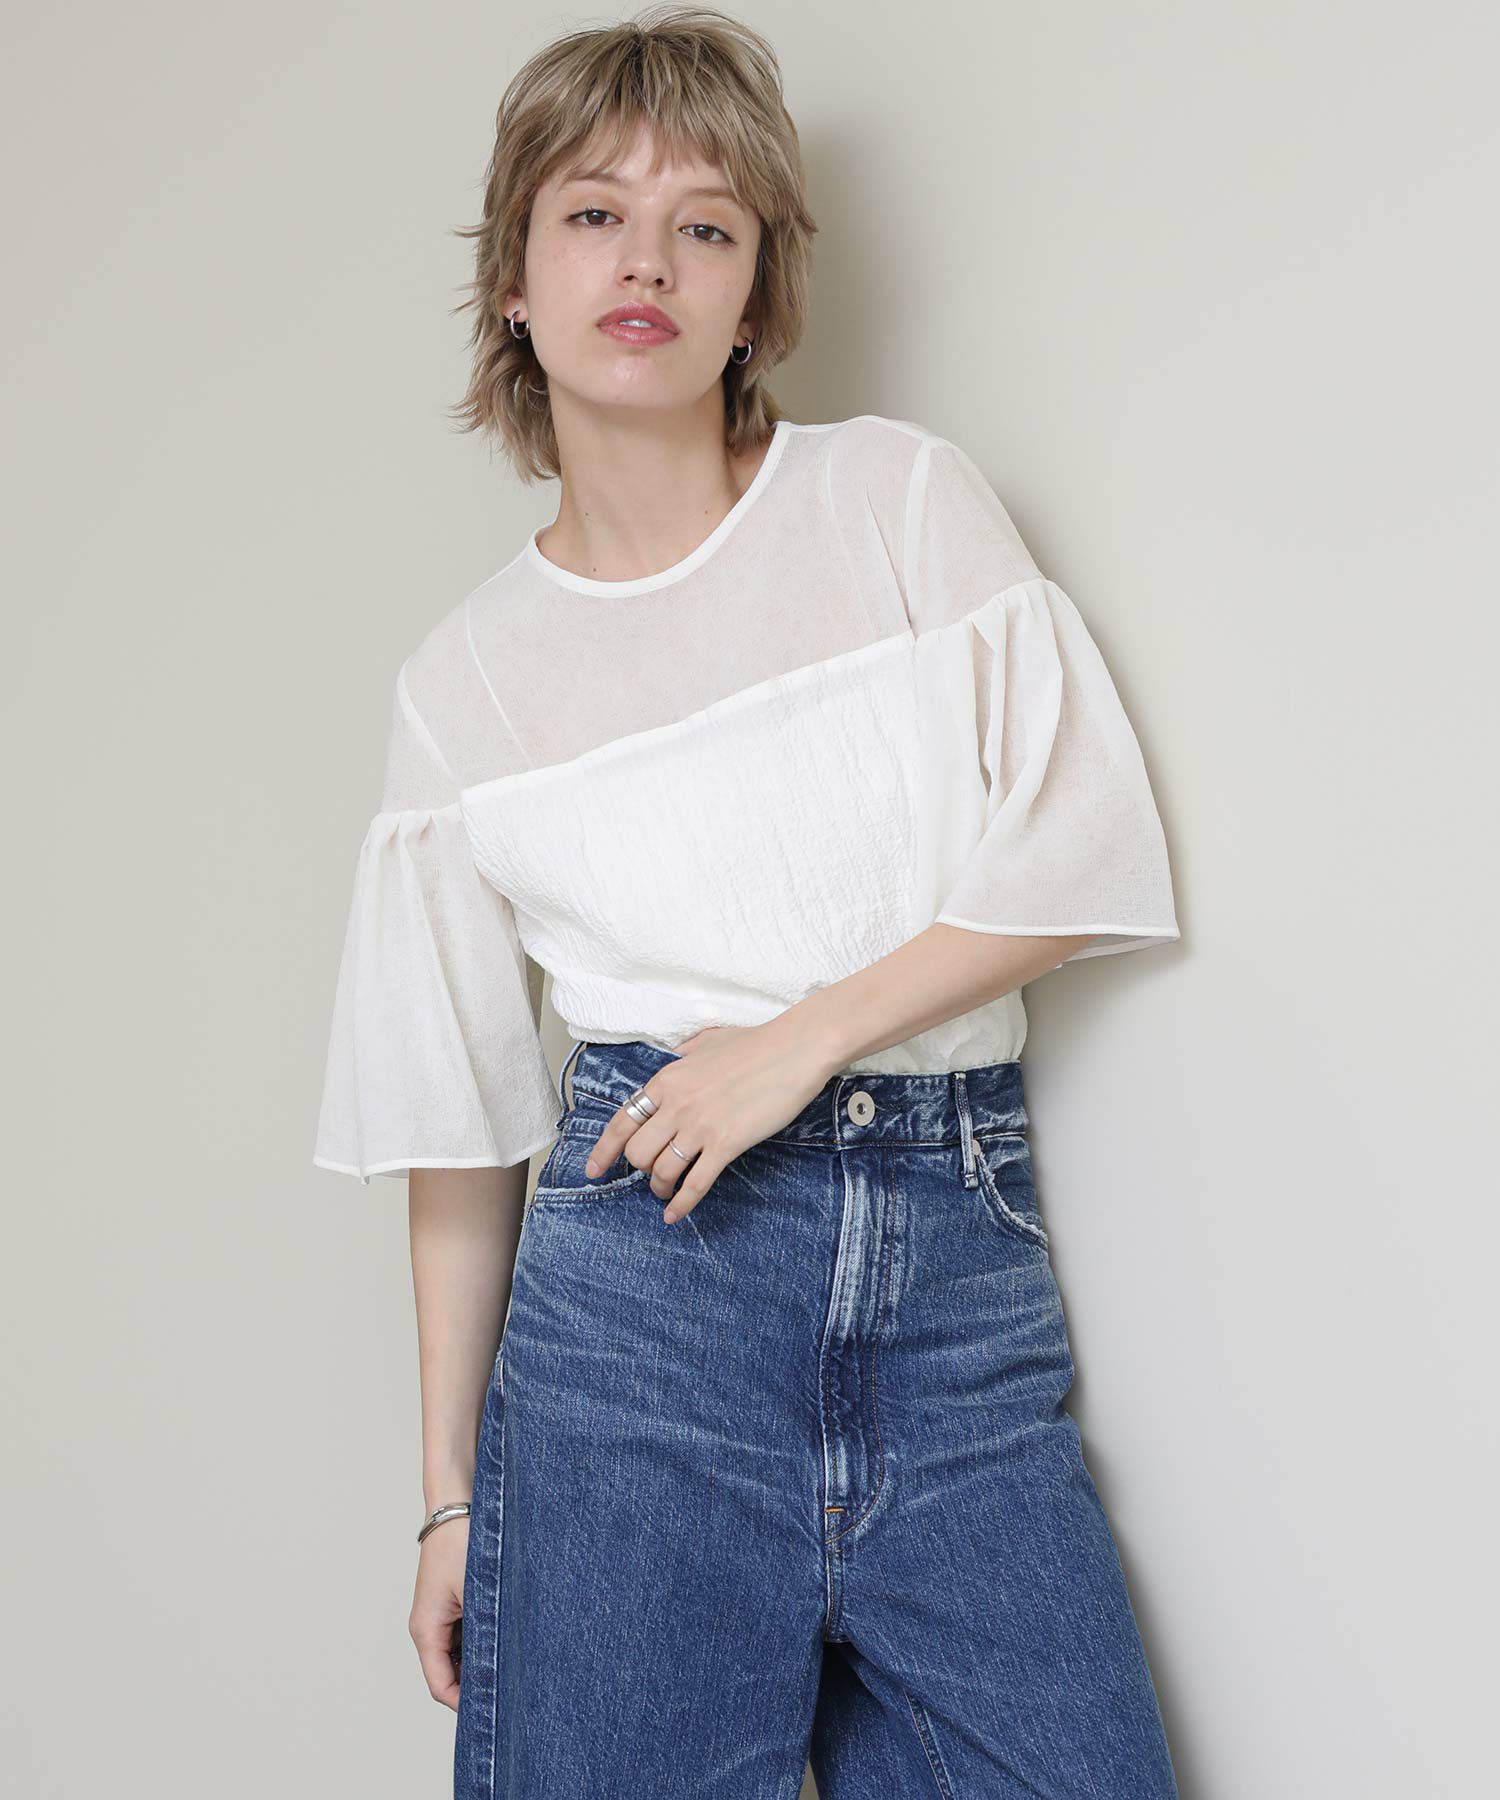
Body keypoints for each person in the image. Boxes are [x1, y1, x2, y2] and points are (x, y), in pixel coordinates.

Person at [313, 7, 1184, 1795]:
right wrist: (450, 1500)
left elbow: (1086, 848)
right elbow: (457, 1133)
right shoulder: (464, 688)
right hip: (640, 1316)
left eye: (704, 225)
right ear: (513, 281)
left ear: (755, 295)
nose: (648, 260)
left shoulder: (895, 503)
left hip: (954, 1282)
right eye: (594, 214)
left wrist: (796, 1044)